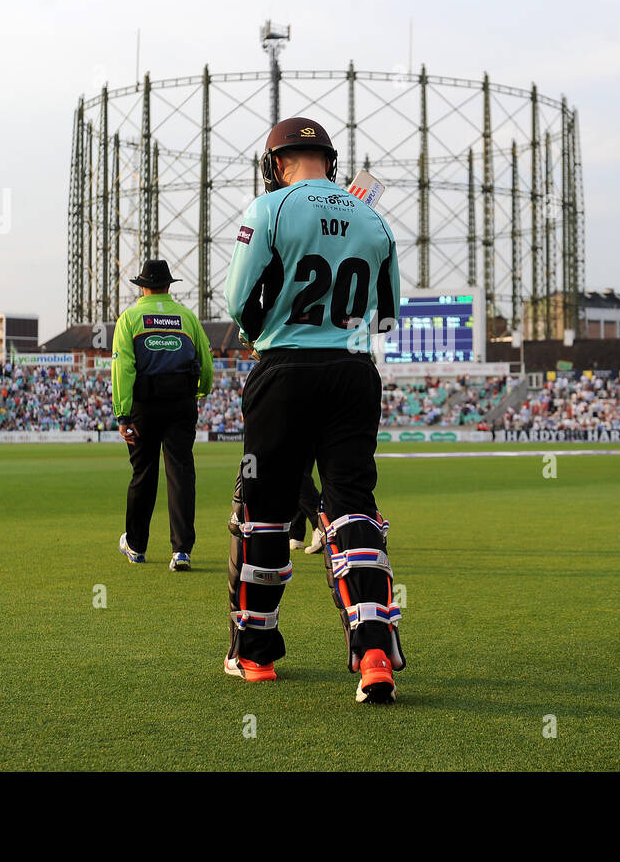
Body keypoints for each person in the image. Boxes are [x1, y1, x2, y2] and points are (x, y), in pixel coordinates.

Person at [222, 116, 405, 703]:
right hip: (353, 374)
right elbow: (386, 315)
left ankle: (255, 655)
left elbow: (236, 299)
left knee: (265, 511)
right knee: (353, 505)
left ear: (277, 163)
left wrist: (260, 332)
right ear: (330, 158)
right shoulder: (373, 218)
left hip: (285, 370)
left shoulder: (268, 209)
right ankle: (375, 651)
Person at [112, 260, 213, 571]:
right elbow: (205, 362)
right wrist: (200, 391)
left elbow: (123, 368)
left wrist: (123, 415)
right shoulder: (187, 317)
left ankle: (137, 546)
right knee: (181, 473)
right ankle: (181, 550)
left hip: (144, 405)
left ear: (142, 286)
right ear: (169, 286)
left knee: (143, 474)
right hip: (181, 403)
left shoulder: (129, 318)